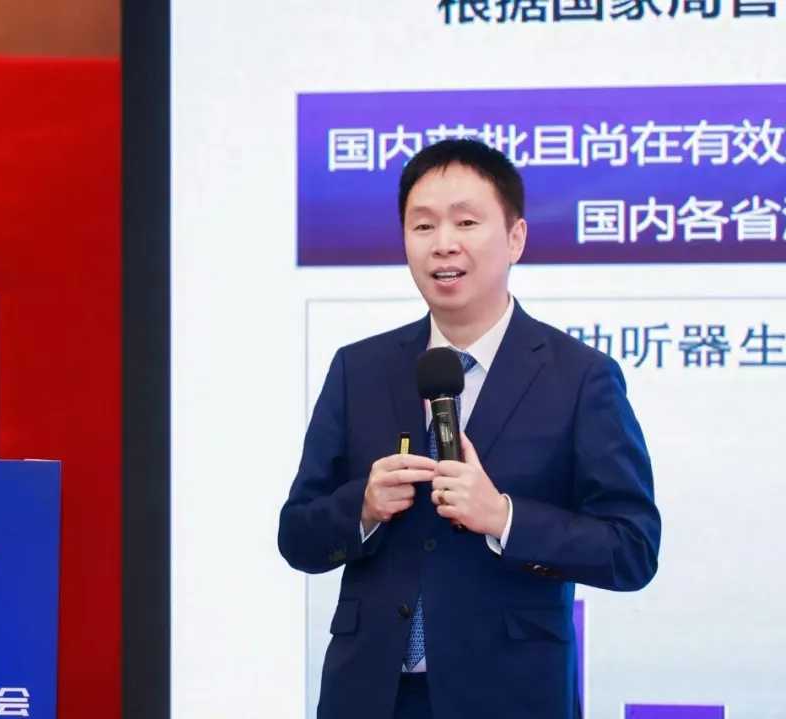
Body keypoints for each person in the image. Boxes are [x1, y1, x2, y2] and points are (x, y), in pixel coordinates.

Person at [277, 138, 661, 719]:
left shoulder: (580, 377)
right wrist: (364, 507)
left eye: (466, 222)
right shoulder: (360, 368)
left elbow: (632, 549)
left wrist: (504, 517)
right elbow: (298, 536)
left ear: (515, 238)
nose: (443, 244)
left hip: (511, 697)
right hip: (370, 696)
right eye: (423, 225)